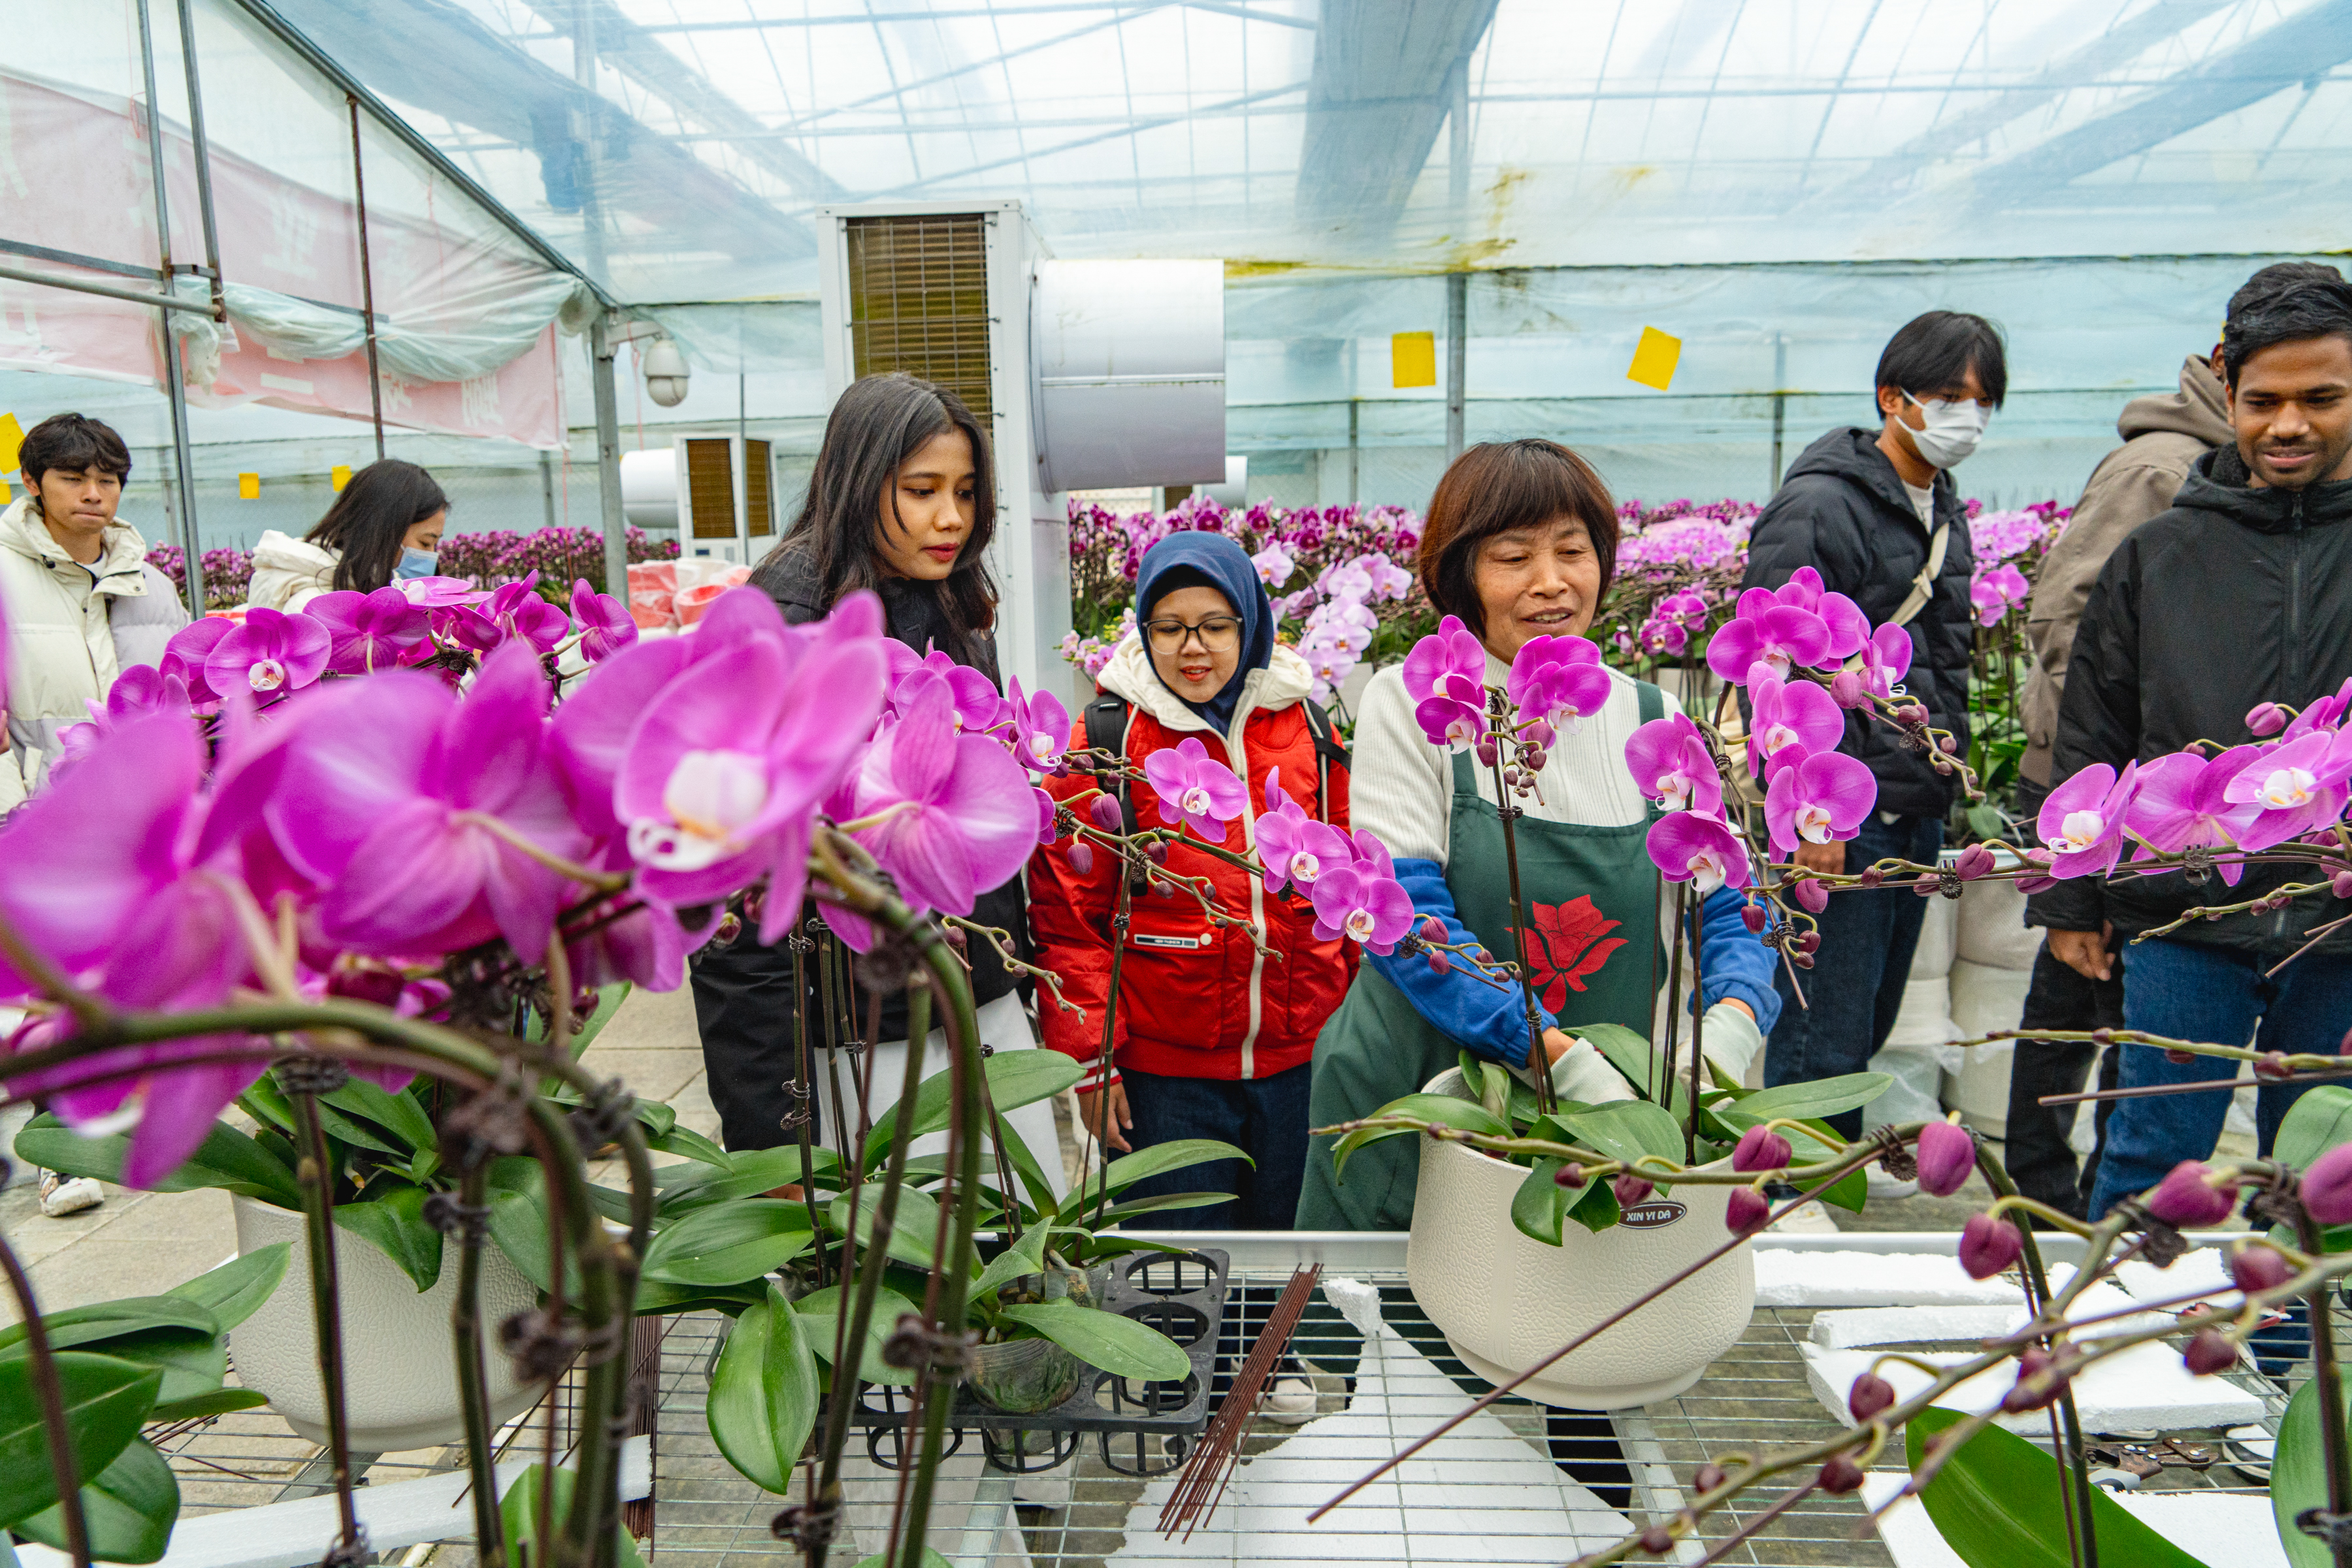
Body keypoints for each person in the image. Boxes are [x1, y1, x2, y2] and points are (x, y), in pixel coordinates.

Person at [1296, 439, 1780, 1232]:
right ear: (1462, 577)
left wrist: (1728, 1028)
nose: (1550, 582)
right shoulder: (1413, 701)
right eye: (1513, 556)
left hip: (1611, 1109)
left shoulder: (1656, 719)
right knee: (1396, 1338)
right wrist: (1552, 1056)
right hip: (1421, 1098)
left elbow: (1731, 901)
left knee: (1570, 1328)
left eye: (1572, 551)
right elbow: (1405, 916)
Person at [2004, 261, 2345, 1219]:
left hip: (2341, 921)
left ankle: (2291, 1360)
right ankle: (2132, 1351)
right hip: (2183, 913)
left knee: (2321, 1178)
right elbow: (2095, 731)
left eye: (2321, 399)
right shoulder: (2159, 555)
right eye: (2265, 400)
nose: (2289, 425)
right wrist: (2071, 895)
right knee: (2152, 1156)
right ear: (2226, 393)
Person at [690, 372, 1061, 1193]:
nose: (952, 518)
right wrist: (772, 1135)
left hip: (973, 996)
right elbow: (734, 897)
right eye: (921, 490)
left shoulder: (951, 606)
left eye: (966, 492)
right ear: (857, 483)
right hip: (857, 1035)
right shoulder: (788, 624)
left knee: (1002, 1262)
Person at [1028, 531, 1354, 1230]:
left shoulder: (1311, 730)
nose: (1192, 647)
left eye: (1214, 625)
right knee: (1175, 1281)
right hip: (1165, 1074)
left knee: (1294, 1276)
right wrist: (1090, 1063)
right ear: (1144, 631)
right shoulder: (1107, 739)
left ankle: (1278, 1351)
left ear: (1252, 623)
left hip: (1301, 1063)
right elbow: (1068, 918)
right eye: (1169, 628)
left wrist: (1349, 1030)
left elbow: (1351, 879)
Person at [1740, 312, 2001, 1137]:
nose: (1971, 418)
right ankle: (1790, 1195)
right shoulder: (1820, 505)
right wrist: (1814, 813)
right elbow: (1778, 666)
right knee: (1821, 1030)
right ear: (1894, 398)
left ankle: (1813, 1180)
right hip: (1840, 816)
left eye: (1985, 401)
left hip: (1911, 799)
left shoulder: (1942, 508)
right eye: (1951, 397)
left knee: (1868, 1021)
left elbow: (1941, 657)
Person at [0, 412, 188, 815]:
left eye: (107, 480)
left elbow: (188, 695)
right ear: (32, 482)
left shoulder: (153, 587)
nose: (92, 494)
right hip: (36, 811)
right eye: (72, 479)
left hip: (146, 808)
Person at [246, 459, 448, 612]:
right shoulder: (313, 605)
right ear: (383, 530)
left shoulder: (362, 581)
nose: (430, 556)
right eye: (426, 542)